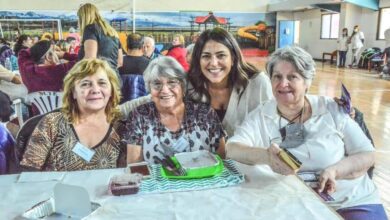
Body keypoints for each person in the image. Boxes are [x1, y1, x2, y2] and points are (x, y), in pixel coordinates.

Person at [226, 46, 387, 220]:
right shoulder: (261, 115)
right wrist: (266, 156)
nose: (283, 84)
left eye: (292, 77)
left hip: (350, 199)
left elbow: (367, 154)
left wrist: (335, 171)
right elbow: (232, 149)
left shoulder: (331, 109)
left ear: (307, 82)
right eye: (277, 76)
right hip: (291, 202)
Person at [20, 58, 126, 171]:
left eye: (102, 83)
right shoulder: (52, 123)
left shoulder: (121, 128)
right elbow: (28, 173)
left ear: (111, 91)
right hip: (51, 188)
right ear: (73, 92)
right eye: (85, 84)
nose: (95, 89)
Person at [125, 56, 225, 164]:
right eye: (157, 84)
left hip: (204, 180)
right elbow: (134, 168)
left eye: (172, 82)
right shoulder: (139, 116)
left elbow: (222, 162)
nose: (164, 90)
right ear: (149, 89)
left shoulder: (205, 114)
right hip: (157, 181)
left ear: (182, 85)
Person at [187, 27, 273, 137]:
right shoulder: (189, 85)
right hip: (201, 154)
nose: (213, 63)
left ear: (233, 58)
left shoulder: (257, 83)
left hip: (248, 153)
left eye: (221, 55)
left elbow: (269, 130)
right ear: (198, 60)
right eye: (206, 56)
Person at [77, 3, 123, 73]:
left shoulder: (90, 28)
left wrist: (75, 69)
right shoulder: (112, 32)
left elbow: (90, 59)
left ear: (83, 18)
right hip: (114, 78)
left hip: (97, 76)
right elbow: (120, 62)